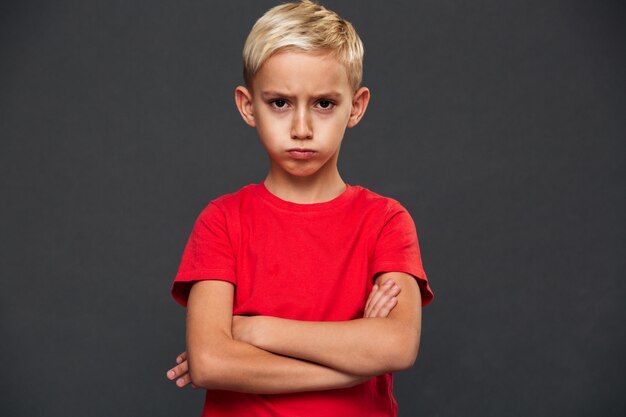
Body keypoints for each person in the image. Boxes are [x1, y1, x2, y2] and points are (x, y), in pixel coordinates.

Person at [165, 1, 434, 415]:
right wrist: (353, 362)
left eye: (324, 103)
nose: (302, 129)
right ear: (248, 106)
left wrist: (254, 330)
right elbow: (211, 362)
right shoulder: (222, 220)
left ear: (356, 107)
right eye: (280, 103)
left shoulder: (386, 221)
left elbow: (396, 346)